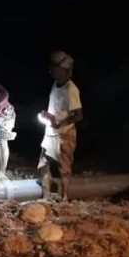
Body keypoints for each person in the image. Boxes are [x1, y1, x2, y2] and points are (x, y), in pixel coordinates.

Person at [37, 50, 83, 200]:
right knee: (43, 163)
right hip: (50, 130)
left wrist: (60, 123)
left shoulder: (71, 89)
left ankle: (64, 200)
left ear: (63, 69)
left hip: (64, 133)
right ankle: (46, 197)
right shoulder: (56, 84)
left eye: (53, 67)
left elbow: (79, 115)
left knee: (64, 168)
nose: (50, 70)